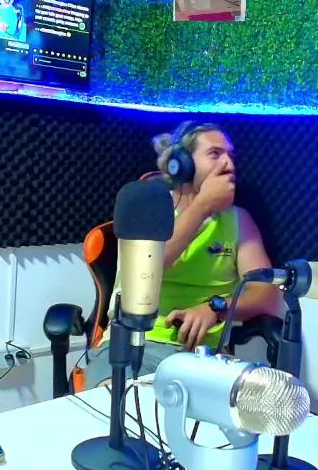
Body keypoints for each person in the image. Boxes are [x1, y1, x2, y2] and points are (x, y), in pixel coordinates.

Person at [85, 122, 282, 385]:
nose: (229, 165)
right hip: (137, 344)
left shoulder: (239, 220)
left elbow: (267, 295)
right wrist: (202, 207)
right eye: (215, 154)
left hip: (205, 357)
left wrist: (216, 308)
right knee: (115, 400)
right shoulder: (148, 207)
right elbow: (146, 269)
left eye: (231, 156)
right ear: (182, 163)